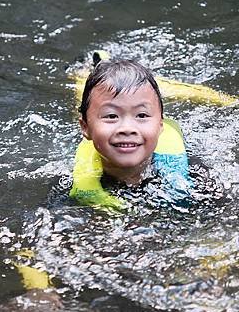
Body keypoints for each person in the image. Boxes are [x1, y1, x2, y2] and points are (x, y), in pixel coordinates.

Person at [70, 59, 194, 210]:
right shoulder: (68, 183)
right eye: (111, 116)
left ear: (160, 126)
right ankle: (84, 71)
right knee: (82, 98)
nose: (127, 128)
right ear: (85, 128)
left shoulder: (195, 174)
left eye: (141, 115)